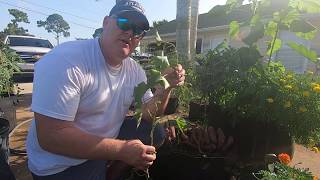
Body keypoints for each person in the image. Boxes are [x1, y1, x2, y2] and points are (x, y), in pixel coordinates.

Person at [26, 0, 185, 179]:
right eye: (124, 22)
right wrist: (123, 150)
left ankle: (112, 170)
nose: (131, 32)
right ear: (106, 22)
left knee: (154, 132)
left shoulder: (133, 69)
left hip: (103, 140)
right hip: (60, 165)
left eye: (138, 30)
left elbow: (149, 115)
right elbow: (51, 137)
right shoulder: (67, 61)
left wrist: (166, 86)